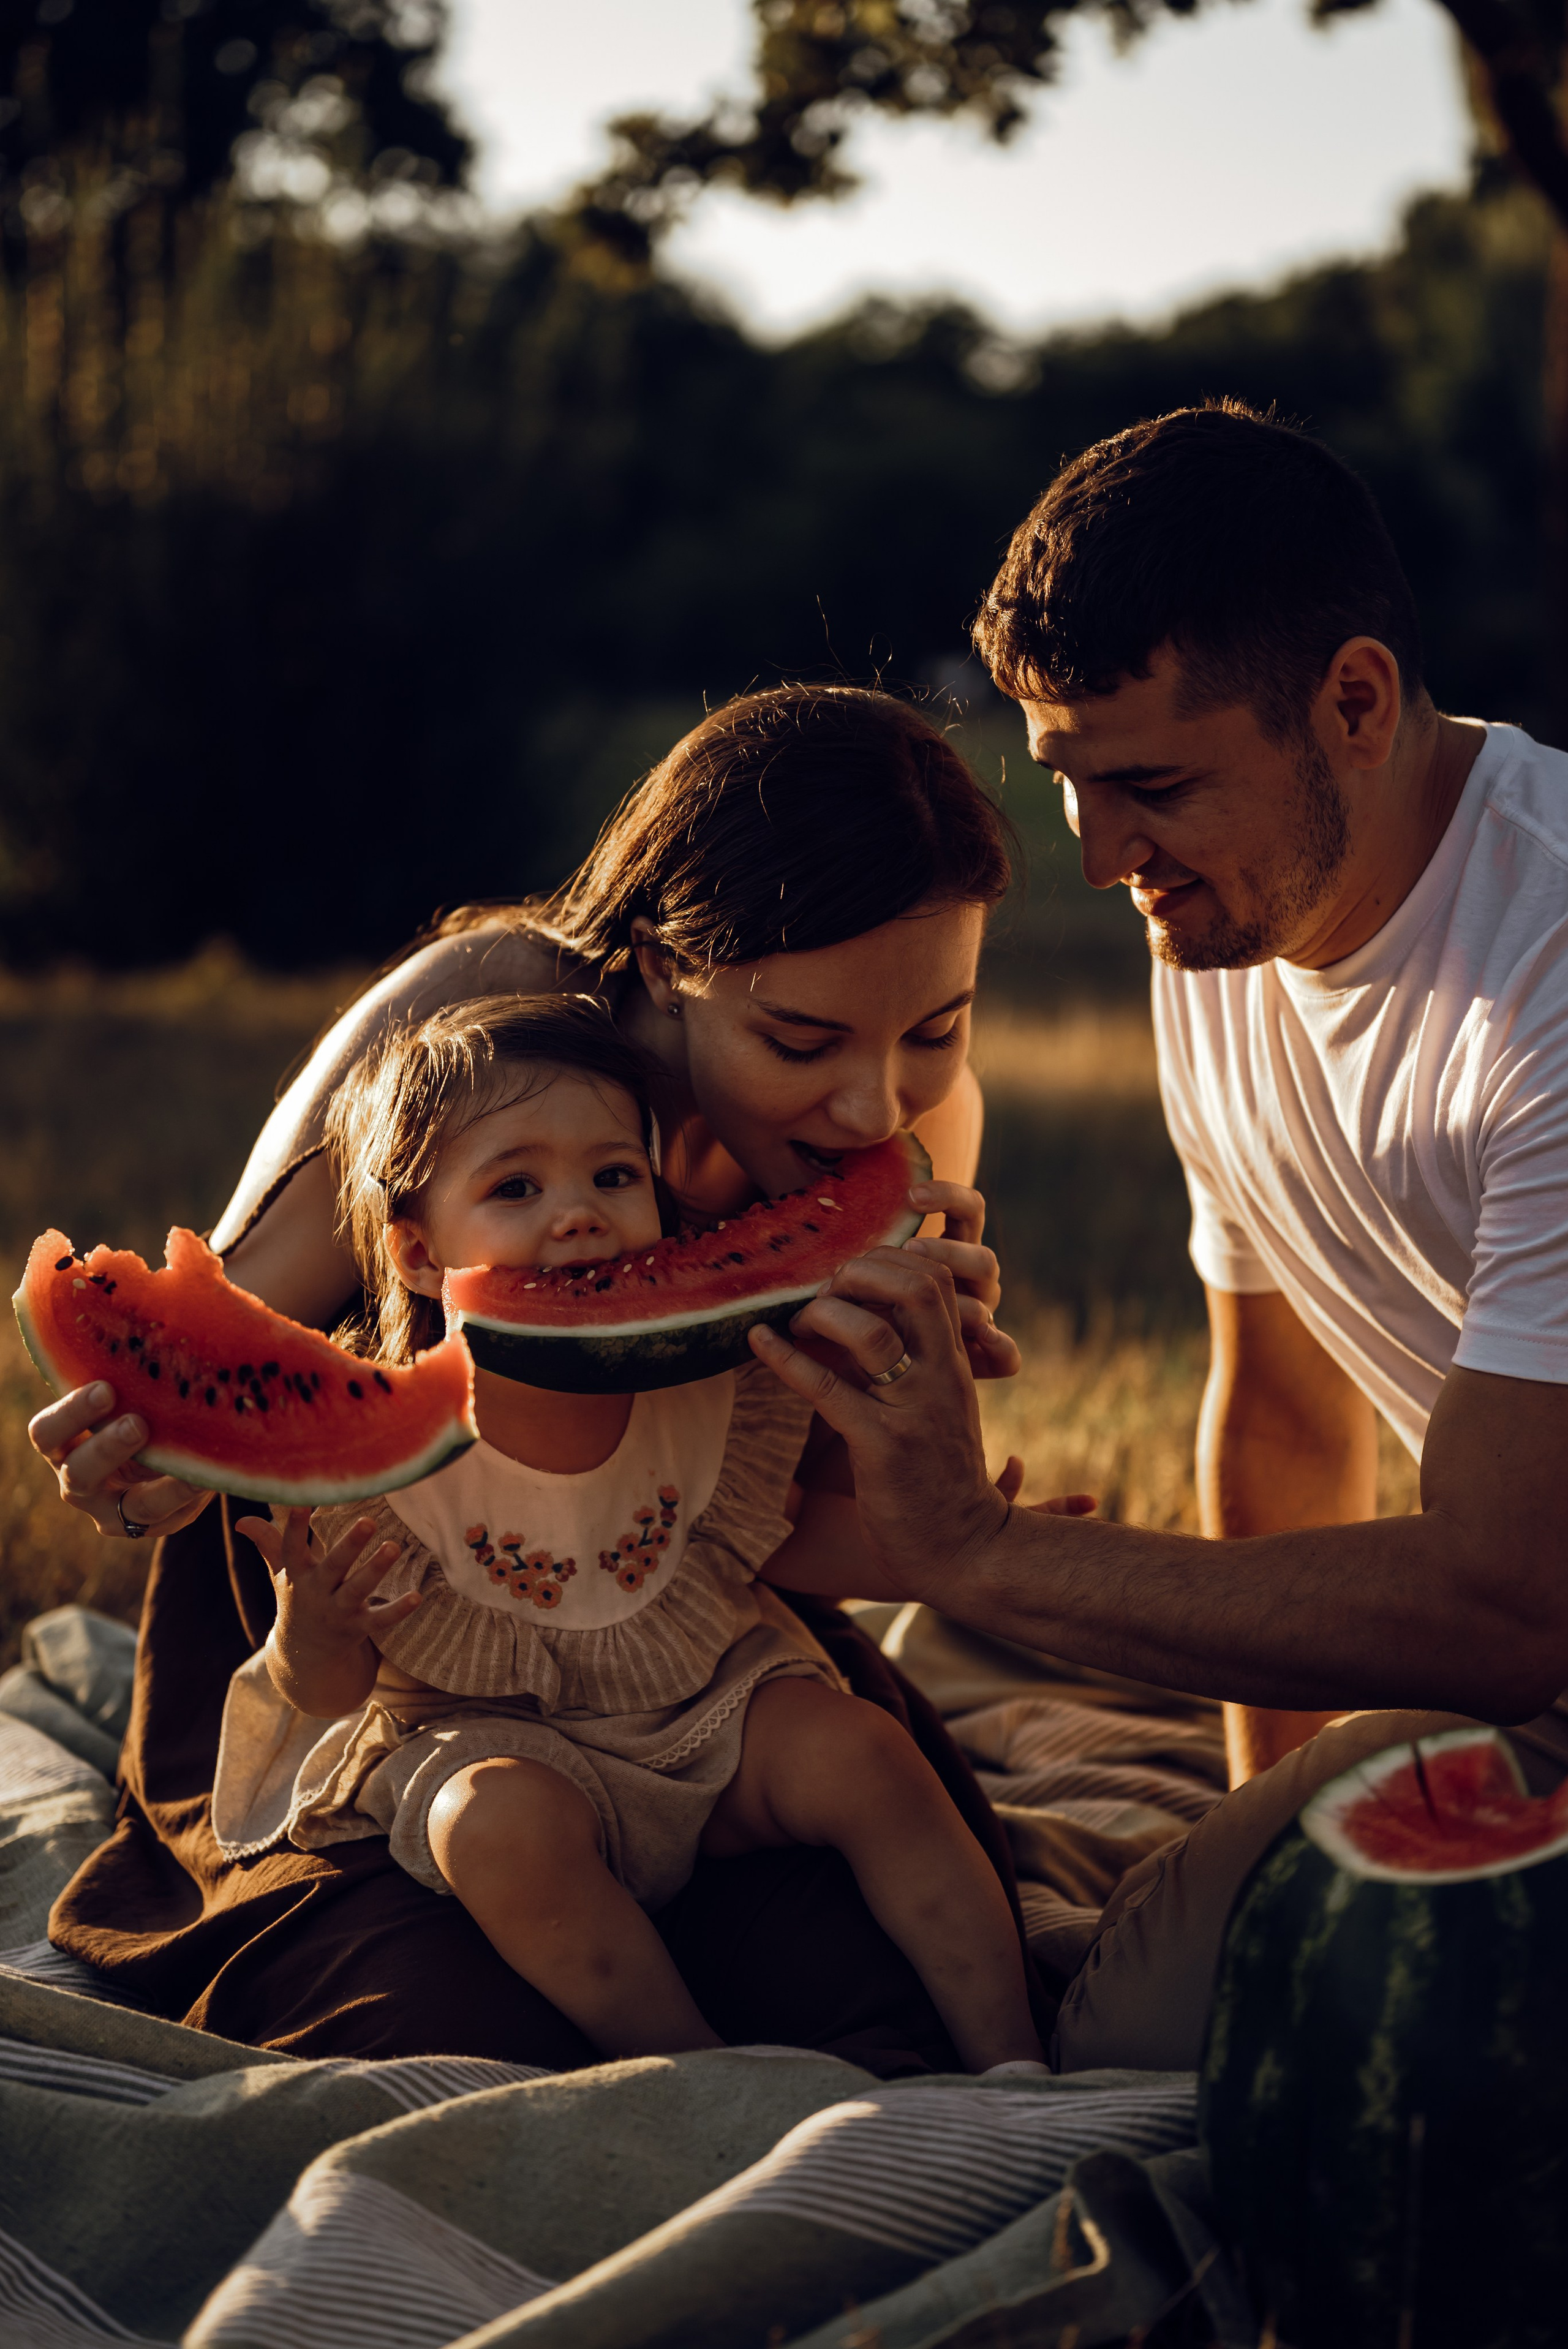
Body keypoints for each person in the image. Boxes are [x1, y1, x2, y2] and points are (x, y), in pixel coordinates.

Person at [29, 683, 1050, 2068]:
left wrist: (925, 1434)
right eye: (800, 1043)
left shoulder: (919, 1135)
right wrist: (141, 1471)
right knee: (447, 2034)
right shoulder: (476, 1017)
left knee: (868, 1999)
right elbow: (217, 1354)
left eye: (934, 1030)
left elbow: (812, 1529)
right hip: (363, 1597)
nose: (876, 1106)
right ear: (654, 962)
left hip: (685, 1604)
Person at [747, 401, 1568, 2070]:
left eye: (1153, 785)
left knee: (1125, 2029)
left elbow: (1510, 1600)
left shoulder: (1546, 968)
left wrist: (972, 1543)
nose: (1103, 854)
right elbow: (1282, 1412)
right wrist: (1266, 1819)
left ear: (1354, 700)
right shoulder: (1225, 910)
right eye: (1065, 781)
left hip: (1523, 1629)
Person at [218, 992, 1044, 2070]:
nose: (580, 1213)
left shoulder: (710, 1398)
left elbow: (782, 1535)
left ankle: (1019, 2057)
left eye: (615, 1175)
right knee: (493, 1831)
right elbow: (323, 1697)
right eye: (517, 1187)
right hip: (489, 1740)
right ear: (418, 1255)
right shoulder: (372, 1459)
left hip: (708, 1709)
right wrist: (313, 1634)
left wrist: (960, 1549)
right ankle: (699, 2071)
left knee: (867, 1754)